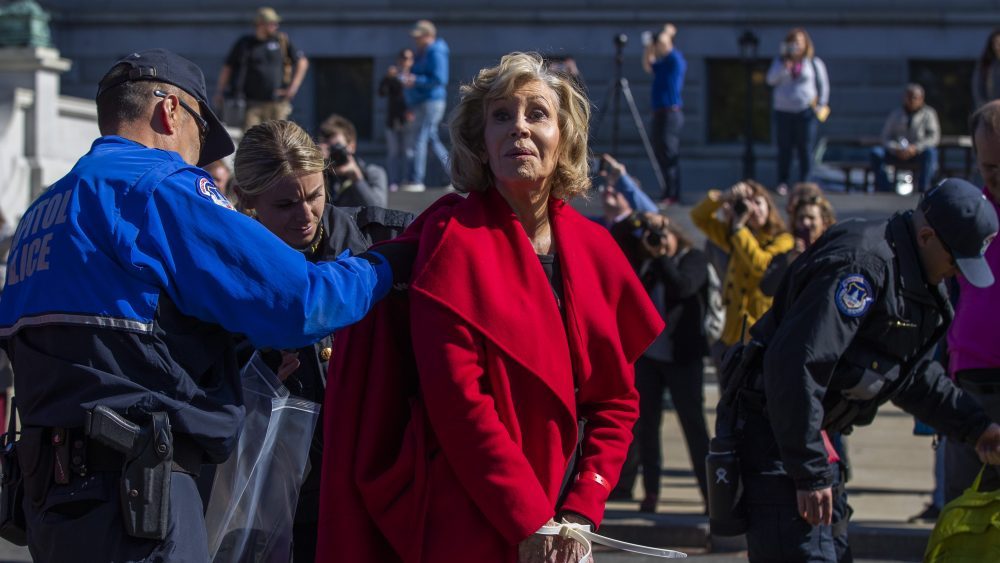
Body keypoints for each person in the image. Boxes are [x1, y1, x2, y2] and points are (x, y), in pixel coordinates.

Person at [0, 49, 410, 563]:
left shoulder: (43, 212)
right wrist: (390, 262)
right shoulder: (159, 187)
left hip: (48, 504)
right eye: (200, 132)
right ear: (170, 110)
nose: (197, 156)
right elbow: (303, 301)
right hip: (137, 502)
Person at [316, 51, 664, 563]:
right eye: (501, 116)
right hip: (471, 519)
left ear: (564, 137)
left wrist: (581, 510)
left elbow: (615, 401)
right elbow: (460, 404)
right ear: (481, 143)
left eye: (536, 114)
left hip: (565, 524)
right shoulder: (450, 239)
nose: (518, 128)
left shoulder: (597, 250)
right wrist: (529, 521)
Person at [715, 178, 1000, 562]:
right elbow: (797, 364)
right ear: (928, 237)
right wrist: (809, 472)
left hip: (814, 442)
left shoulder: (911, 272)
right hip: (778, 439)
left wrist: (975, 426)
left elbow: (908, 375)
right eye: (954, 262)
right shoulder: (861, 266)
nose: (955, 275)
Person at [231, 119, 413, 563]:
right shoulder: (224, 267)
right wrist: (249, 370)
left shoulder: (381, 239)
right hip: (274, 498)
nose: (306, 214)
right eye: (286, 204)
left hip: (371, 484)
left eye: (315, 195)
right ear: (247, 202)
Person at [611, 213, 711, 513]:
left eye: (664, 233)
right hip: (650, 359)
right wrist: (636, 220)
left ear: (676, 232)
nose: (659, 240)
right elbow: (619, 238)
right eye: (654, 236)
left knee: (694, 426)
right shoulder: (647, 262)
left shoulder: (693, 258)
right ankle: (651, 492)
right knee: (647, 428)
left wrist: (663, 257)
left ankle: (711, 495)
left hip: (683, 357)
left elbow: (682, 287)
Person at [943, 100, 1000, 503]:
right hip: (971, 381)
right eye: (989, 168)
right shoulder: (965, 213)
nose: (997, 178)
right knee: (966, 505)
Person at [690, 180, 793, 354]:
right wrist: (723, 197)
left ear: (769, 206)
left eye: (758, 203)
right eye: (748, 205)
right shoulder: (735, 235)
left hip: (761, 325)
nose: (754, 210)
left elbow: (761, 265)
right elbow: (699, 217)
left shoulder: (783, 239)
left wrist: (738, 229)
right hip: (732, 328)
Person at [213, 6, 309, 130]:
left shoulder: (281, 41)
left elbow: (302, 62)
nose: (276, 26)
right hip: (252, 104)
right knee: (253, 140)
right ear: (261, 24)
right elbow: (228, 68)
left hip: (277, 103)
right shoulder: (245, 43)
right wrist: (220, 91)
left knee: (277, 140)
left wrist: (293, 88)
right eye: (272, 23)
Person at [766, 28, 830, 196]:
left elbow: (823, 85)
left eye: (799, 42)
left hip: (806, 111)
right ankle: (783, 181)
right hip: (783, 111)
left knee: (805, 148)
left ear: (805, 44)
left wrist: (821, 105)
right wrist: (784, 66)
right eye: (793, 42)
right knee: (784, 148)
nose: (796, 46)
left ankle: (805, 183)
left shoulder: (813, 63)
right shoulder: (780, 62)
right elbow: (770, 79)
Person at [400, 19, 450, 192]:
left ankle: (416, 180)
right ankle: (453, 173)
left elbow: (439, 79)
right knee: (430, 137)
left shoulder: (436, 51)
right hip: (426, 100)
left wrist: (415, 80)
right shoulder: (425, 51)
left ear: (428, 35)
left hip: (432, 100)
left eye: (419, 37)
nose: (416, 40)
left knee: (422, 136)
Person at [642, 23, 686, 205]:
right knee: (660, 151)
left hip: (671, 113)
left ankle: (673, 194)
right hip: (660, 113)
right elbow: (647, 64)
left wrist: (667, 32)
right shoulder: (662, 63)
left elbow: (665, 41)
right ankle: (667, 192)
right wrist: (649, 46)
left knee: (669, 153)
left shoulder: (675, 59)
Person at [760, 192, 837, 296]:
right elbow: (767, 289)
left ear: (824, 223)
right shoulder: (786, 253)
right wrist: (788, 264)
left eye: (811, 218)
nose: (805, 223)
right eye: (801, 218)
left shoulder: (833, 253)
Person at [870, 84, 940, 194]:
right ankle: (884, 188)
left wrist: (915, 148)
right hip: (897, 152)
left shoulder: (928, 114)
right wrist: (895, 148)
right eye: (908, 97)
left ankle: (924, 189)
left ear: (921, 99)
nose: (911, 100)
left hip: (918, 153)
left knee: (931, 153)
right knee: (876, 152)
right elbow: (885, 137)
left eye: (914, 97)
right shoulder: (896, 114)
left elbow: (934, 138)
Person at [317, 113, 389, 208]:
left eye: (337, 147)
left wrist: (357, 178)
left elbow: (379, 210)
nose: (333, 153)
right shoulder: (320, 174)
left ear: (352, 146)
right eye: (329, 148)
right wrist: (318, 168)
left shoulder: (373, 173)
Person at [378, 48, 415, 192]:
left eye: (409, 58)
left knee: (409, 151)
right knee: (393, 152)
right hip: (393, 120)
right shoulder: (393, 76)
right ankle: (393, 181)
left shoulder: (414, 76)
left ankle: (408, 179)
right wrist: (388, 78)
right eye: (403, 58)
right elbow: (382, 92)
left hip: (409, 119)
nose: (406, 61)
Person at [972, 29, 1000, 110]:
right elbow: (978, 91)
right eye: (996, 43)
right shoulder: (985, 65)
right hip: (990, 111)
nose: (998, 46)